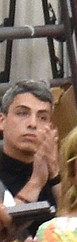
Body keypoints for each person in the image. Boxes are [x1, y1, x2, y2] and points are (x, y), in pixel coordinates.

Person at [0, 80, 59, 215]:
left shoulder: (58, 172)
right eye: (22, 113)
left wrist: (55, 174)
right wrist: (36, 182)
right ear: (2, 121)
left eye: (42, 117)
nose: (32, 124)